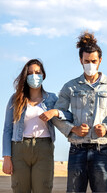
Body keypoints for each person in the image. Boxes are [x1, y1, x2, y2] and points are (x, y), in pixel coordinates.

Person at [47, 31, 107, 192]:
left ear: (100, 61)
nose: (90, 64)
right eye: (87, 61)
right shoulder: (70, 86)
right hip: (77, 149)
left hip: (101, 150)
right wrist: (72, 129)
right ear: (80, 60)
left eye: (94, 61)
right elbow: (57, 115)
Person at [2, 59, 59, 193]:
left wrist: (55, 112)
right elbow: (7, 130)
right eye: (30, 73)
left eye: (38, 72)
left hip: (44, 148)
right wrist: (6, 158)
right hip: (19, 149)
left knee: (43, 189)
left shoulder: (52, 99)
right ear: (25, 76)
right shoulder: (15, 99)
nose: (34, 76)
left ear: (43, 75)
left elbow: (66, 116)